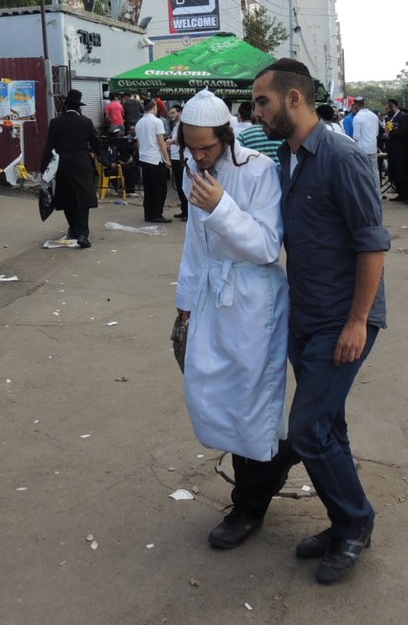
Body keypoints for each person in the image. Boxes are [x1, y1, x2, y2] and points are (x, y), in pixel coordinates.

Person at [241, 58, 389, 585]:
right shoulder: (286, 155)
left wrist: (357, 322)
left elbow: (373, 245)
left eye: (262, 101)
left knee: (306, 428)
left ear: (294, 99)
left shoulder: (343, 158)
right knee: (328, 426)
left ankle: (354, 522)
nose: (256, 111)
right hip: (304, 316)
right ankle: (342, 521)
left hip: (342, 320)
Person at [172, 89, 290, 551]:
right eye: (192, 147)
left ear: (227, 136)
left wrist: (222, 205)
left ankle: (249, 505)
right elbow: (194, 241)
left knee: (251, 402)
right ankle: (274, 463)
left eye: (208, 147)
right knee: (210, 389)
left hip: (253, 301)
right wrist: (184, 300)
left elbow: (265, 246)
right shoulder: (192, 172)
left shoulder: (260, 172)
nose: (201, 156)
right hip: (210, 294)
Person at [41, 89, 102, 248]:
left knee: (66, 197)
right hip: (81, 164)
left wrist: (43, 167)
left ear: (65, 105)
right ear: (79, 106)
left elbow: (49, 146)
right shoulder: (86, 122)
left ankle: (74, 230)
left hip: (63, 164)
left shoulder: (55, 122)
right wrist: (106, 160)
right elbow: (96, 143)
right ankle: (82, 233)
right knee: (83, 198)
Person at [135, 97, 171, 223]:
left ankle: (148, 214)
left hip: (144, 158)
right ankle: (157, 214)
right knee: (160, 188)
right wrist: (167, 160)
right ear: (154, 107)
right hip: (155, 159)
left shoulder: (139, 123)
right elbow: (161, 143)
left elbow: (138, 143)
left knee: (148, 188)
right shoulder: (157, 122)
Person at [386, 101, 408, 204]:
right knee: (396, 173)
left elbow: (402, 132)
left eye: (388, 109)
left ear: (393, 107)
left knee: (403, 173)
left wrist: (390, 135)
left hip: (401, 150)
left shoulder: (402, 117)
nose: (386, 111)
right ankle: (401, 194)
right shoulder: (391, 118)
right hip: (393, 150)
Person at [166, 103, 189, 220]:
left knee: (183, 185)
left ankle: (187, 211)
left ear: (180, 113)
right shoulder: (175, 126)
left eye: (173, 112)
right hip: (175, 158)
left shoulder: (184, 126)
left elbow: (185, 141)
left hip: (182, 158)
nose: (171, 115)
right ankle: (183, 209)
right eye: (170, 113)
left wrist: (173, 142)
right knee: (179, 186)